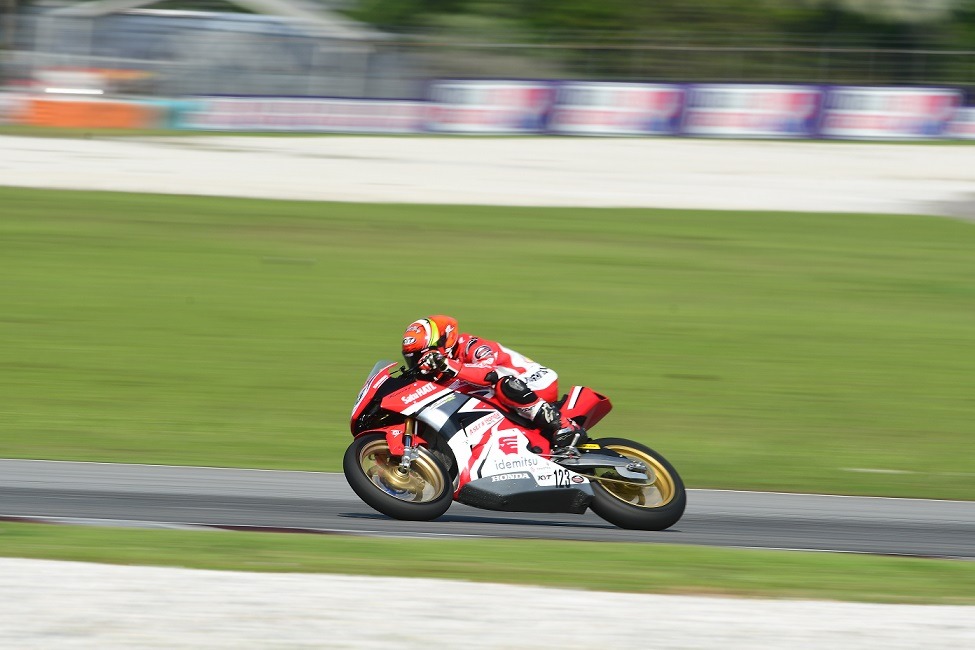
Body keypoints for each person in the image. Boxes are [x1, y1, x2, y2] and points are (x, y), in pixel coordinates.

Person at [401, 314, 587, 451]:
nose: (421, 362)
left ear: (445, 339)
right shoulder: (440, 373)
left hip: (535, 380)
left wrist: (446, 364)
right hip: (505, 393)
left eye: (425, 354)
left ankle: (563, 425)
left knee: (503, 383)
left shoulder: (472, 345)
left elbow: (487, 373)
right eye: (414, 357)